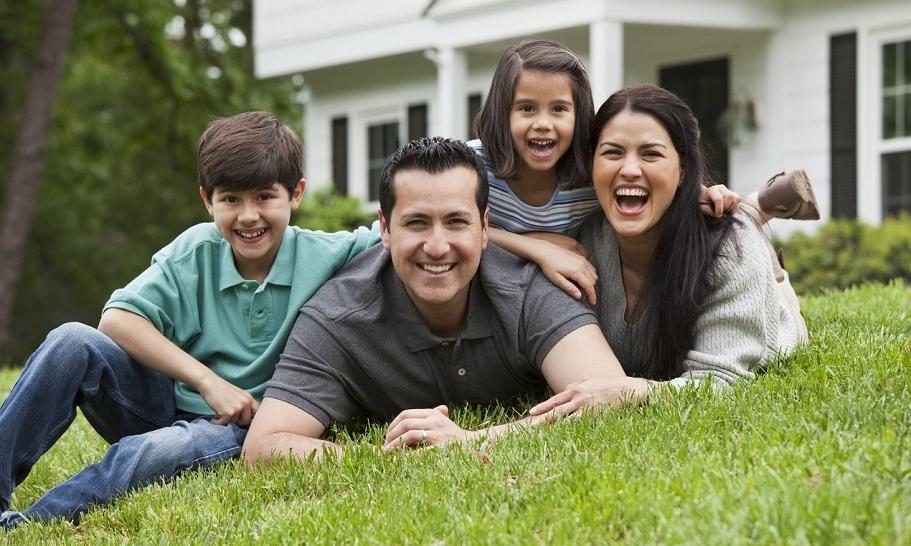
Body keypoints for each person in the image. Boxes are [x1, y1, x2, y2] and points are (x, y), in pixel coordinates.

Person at [0, 112, 379, 529]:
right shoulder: (195, 250)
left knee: (153, 452)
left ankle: (29, 525)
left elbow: (401, 229)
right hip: (166, 404)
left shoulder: (329, 253)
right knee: (70, 341)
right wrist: (209, 383)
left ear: (296, 194)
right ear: (207, 200)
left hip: (247, 429)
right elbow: (117, 320)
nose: (248, 216)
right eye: (231, 199)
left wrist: (467, 155)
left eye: (265, 197)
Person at [241, 137, 631, 463]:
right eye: (416, 223)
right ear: (385, 228)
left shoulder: (527, 288)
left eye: (457, 222)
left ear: (484, 227)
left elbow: (611, 395)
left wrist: (472, 441)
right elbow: (263, 445)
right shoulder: (338, 315)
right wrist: (391, 458)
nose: (437, 246)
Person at [527, 84, 809, 418]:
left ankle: (755, 215)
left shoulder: (730, 251)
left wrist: (634, 390)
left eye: (650, 154)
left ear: (684, 169)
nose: (629, 169)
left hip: (768, 307)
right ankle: (757, 204)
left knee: (742, 233)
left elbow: (719, 381)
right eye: (613, 153)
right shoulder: (581, 240)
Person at [470, 39, 818, 303]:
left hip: (558, 279)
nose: (543, 124)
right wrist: (536, 246)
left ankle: (759, 207)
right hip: (505, 278)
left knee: (717, 215)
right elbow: (453, 230)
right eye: (527, 108)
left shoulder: (586, 169)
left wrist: (706, 192)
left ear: (579, 117)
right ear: (503, 112)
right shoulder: (473, 166)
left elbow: (647, 181)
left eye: (559, 109)